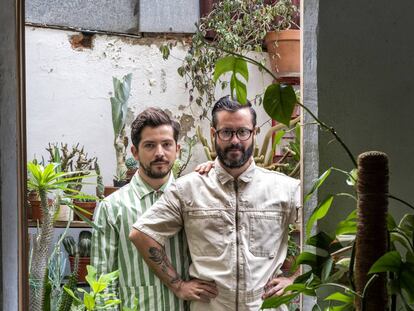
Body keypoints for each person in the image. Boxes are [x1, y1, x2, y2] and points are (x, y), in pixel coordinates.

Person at [129, 96, 301, 311]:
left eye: (243, 131)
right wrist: (178, 285)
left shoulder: (285, 188)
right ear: (213, 134)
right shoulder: (188, 189)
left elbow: (320, 231)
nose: (235, 140)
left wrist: (296, 279)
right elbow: (142, 234)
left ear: (254, 132)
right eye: (226, 132)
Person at [91, 107, 213, 310]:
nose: (159, 153)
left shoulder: (195, 199)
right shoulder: (112, 208)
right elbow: (102, 283)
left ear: (178, 149)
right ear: (135, 152)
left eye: (167, 144)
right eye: (149, 145)